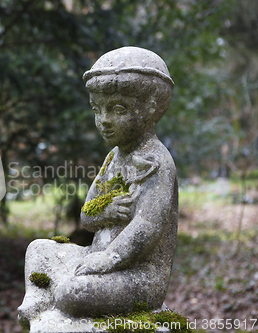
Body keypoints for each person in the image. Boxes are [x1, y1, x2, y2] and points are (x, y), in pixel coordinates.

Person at [18, 46, 179, 330]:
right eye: (98, 109)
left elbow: (147, 227)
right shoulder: (114, 158)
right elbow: (87, 217)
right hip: (96, 257)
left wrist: (109, 259)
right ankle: (37, 300)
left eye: (118, 109)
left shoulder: (157, 162)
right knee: (39, 249)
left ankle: (57, 294)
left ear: (152, 107)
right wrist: (107, 209)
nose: (104, 120)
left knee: (73, 294)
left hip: (138, 276)